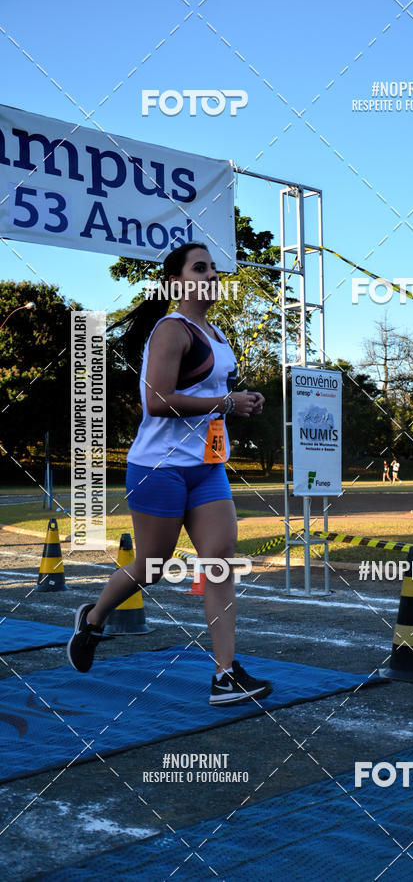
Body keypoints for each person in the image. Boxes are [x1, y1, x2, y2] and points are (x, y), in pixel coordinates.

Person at [67, 241, 272, 706]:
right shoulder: (170, 330)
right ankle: (94, 619)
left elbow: (215, 399)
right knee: (153, 566)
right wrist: (226, 403)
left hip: (207, 469)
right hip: (157, 468)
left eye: (214, 268)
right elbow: (155, 402)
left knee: (219, 562)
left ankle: (225, 675)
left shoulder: (217, 335)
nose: (212, 275)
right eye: (200, 267)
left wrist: (242, 404)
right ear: (176, 282)